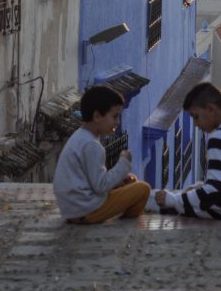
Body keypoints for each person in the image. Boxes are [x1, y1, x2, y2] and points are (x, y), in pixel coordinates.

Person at [154, 82, 221, 219]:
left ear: (210, 109)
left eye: (196, 117)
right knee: (193, 192)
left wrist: (174, 200)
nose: (196, 125)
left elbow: (213, 191)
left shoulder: (219, 138)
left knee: (171, 209)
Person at [53, 84, 150, 224]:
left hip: (74, 208)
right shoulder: (92, 145)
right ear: (97, 116)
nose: (118, 122)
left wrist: (120, 180)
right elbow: (101, 186)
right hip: (87, 209)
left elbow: (93, 181)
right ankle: (127, 222)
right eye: (115, 116)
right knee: (143, 189)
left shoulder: (80, 136)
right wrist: (124, 163)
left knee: (129, 182)